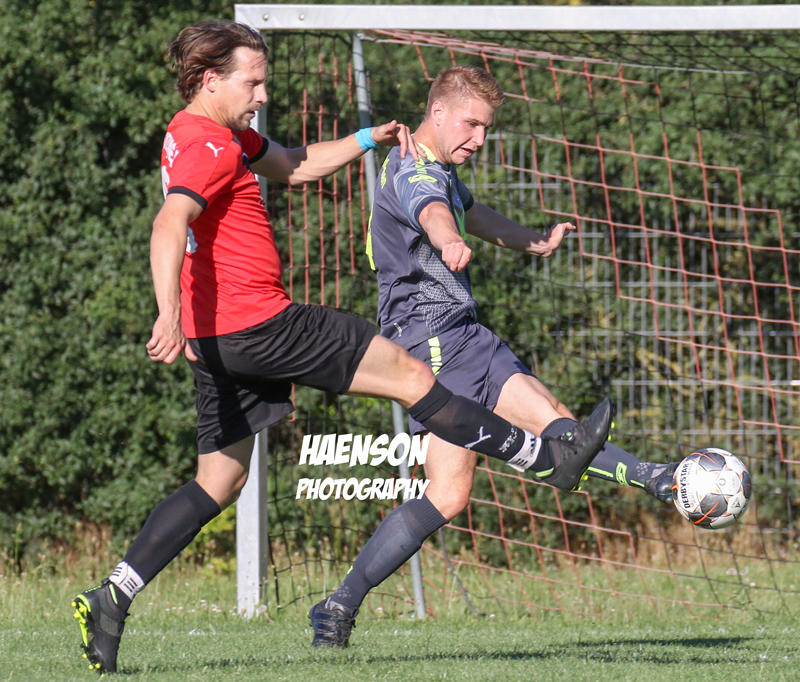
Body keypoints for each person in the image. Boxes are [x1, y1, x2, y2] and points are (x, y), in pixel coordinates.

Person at [70, 22, 614, 674]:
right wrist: (166, 313)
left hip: (218, 338)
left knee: (220, 479)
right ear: (210, 80)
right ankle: (546, 457)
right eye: (253, 82)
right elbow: (170, 222)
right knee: (413, 375)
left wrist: (365, 139)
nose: (263, 94)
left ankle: (114, 596)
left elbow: (291, 165)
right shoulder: (209, 144)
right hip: (263, 323)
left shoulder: (208, 132)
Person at [309, 65, 679, 648]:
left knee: (553, 432)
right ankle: (338, 605)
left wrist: (533, 241)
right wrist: (447, 239)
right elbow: (434, 211)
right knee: (456, 489)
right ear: (438, 112)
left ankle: (659, 479)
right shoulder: (413, 169)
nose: (479, 138)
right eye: (471, 124)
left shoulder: (440, 167)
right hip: (429, 343)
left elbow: (469, 211)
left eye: (486, 127)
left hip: (466, 334)